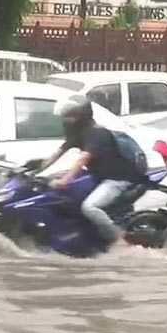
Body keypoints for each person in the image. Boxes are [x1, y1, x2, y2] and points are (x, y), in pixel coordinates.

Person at [40, 95, 147, 247]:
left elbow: (83, 159)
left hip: (117, 179)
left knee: (89, 207)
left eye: (69, 116)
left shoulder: (97, 134)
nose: (65, 120)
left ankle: (120, 241)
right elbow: (57, 154)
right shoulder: (78, 134)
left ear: (81, 116)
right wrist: (33, 170)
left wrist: (65, 180)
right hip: (98, 176)